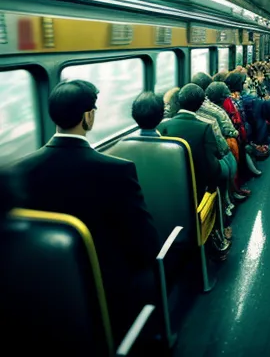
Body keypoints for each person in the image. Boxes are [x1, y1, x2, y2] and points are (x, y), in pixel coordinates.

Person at [9, 80, 162, 342]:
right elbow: (146, 243)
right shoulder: (116, 170)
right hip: (107, 283)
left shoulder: (21, 170)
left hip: (45, 283)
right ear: (87, 116)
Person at [158, 84, 223, 196]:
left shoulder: (162, 126)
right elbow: (212, 165)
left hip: (169, 181)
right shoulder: (205, 128)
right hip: (197, 186)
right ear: (201, 104)